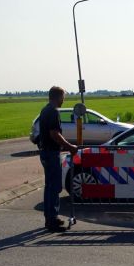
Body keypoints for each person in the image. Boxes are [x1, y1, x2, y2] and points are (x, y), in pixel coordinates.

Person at [38, 86, 78, 232]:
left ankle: (50, 217)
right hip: (51, 153)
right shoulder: (53, 112)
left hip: (45, 152)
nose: (64, 100)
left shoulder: (45, 110)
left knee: (49, 186)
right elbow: (54, 134)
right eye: (63, 97)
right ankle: (52, 220)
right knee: (54, 187)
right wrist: (70, 147)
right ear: (58, 97)